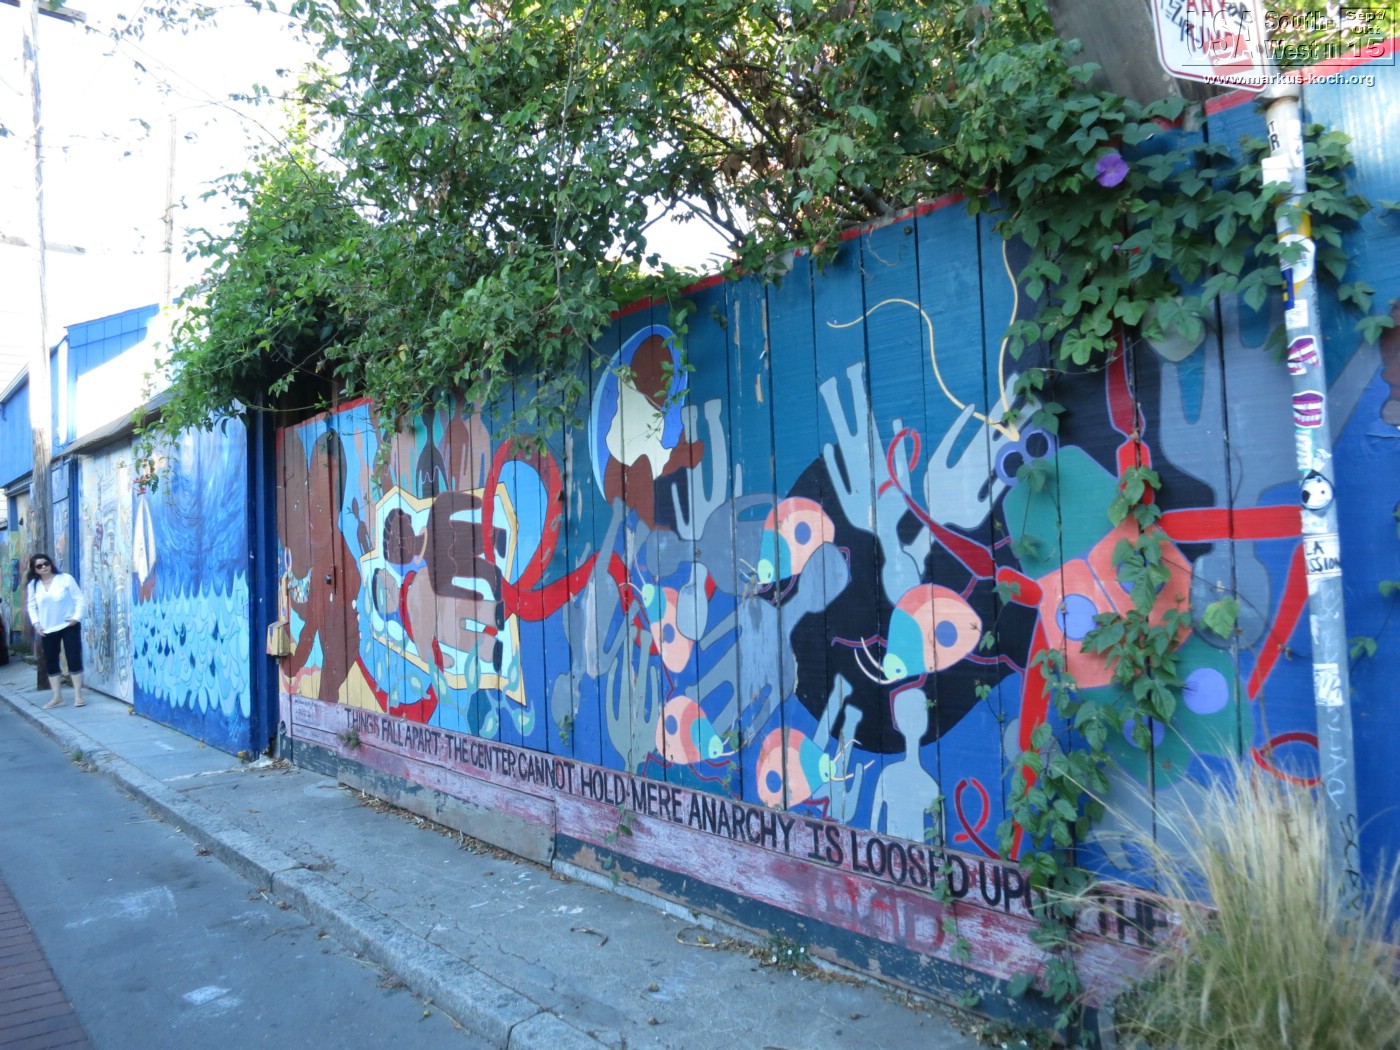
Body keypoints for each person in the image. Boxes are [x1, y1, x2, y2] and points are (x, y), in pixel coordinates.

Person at [25, 553, 86, 709]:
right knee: (51, 661)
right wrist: (36, 624)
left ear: (51, 563)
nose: (44, 567)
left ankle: (78, 695)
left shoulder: (65, 579)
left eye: (46, 563)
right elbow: (31, 606)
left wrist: (76, 618)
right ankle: (57, 697)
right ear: (35, 569)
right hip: (47, 628)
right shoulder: (33, 585)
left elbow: (79, 599)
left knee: (73, 658)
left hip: (68, 625)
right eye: (39, 566)